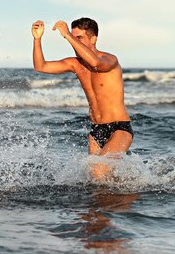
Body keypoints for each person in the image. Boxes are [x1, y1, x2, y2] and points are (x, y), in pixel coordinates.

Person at [31, 18, 133, 159]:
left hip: (119, 129)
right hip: (96, 129)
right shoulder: (75, 64)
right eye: (74, 37)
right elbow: (40, 66)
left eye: (79, 38)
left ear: (93, 39)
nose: (75, 41)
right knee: (95, 178)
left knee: (99, 168)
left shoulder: (109, 59)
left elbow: (95, 62)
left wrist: (67, 35)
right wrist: (37, 39)